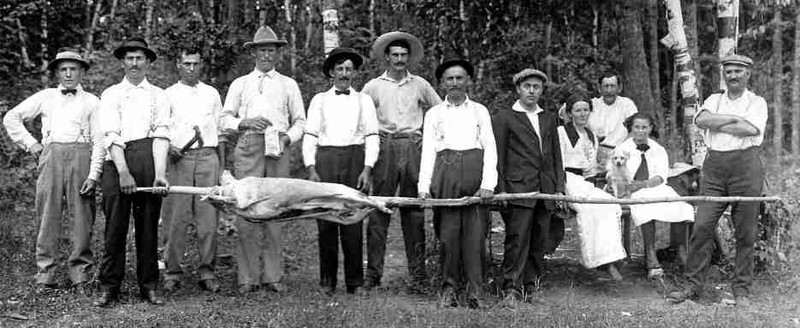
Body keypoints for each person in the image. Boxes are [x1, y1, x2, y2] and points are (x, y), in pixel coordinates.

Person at [3, 48, 104, 292]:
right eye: (63, 69)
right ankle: (45, 274)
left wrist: (94, 174)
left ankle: (81, 274)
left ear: (82, 72)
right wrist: (32, 144)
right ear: (57, 73)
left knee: (82, 217)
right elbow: (11, 118)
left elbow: (100, 140)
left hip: (81, 155)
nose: (68, 74)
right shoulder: (46, 96)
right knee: (48, 214)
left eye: (73, 69)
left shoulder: (92, 101)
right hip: (51, 156)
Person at [670, 54, 767, 306]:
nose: (733, 76)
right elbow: (701, 120)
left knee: (745, 232)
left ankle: (741, 291)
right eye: (729, 71)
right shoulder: (714, 99)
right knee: (702, 227)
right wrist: (733, 120)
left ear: (748, 74)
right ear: (723, 74)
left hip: (746, 168)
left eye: (738, 71)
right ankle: (692, 287)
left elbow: (750, 129)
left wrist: (718, 122)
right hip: (714, 169)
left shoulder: (757, 102)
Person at [219, 25, 305, 294]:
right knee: (247, 208)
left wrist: (287, 138)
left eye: (271, 50)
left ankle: (273, 276)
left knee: (276, 208)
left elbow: (301, 122)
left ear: (278, 53)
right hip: (248, 146)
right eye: (262, 50)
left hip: (277, 147)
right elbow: (223, 119)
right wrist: (245, 122)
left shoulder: (288, 84)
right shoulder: (240, 84)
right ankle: (247, 277)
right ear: (253, 52)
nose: (266, 55)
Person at [362, 31, 442, 293]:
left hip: (412, 146)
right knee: (379, 209)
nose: (399, 59)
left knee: (414, 211)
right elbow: (361, 114)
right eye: (394, 55)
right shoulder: (374, 86)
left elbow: (440, 111)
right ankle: (373, 276)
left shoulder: (419, 84)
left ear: (409, 58)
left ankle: (418, 276)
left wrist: (427, 138)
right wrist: (371, 141)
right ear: (386, 57)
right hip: (385, 146)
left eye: (403, 55)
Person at [94, 37, 170, 307]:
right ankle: (109, 286)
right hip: (118, 163)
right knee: (115, 227)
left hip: (149, 161)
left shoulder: (159, 95)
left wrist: (160, 174)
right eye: (130, 58)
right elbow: (111, 135)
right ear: (122, 62)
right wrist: (123, 172)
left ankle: (149, 285)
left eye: (139, 58)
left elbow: (161, 135)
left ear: (148, 61)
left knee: (148, 226)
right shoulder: (111, 94)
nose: (135, 63)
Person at [418, 57, 496, 309]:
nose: (454, 83)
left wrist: (488, 184)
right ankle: (449, 289)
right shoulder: (434, 114)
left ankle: (476, 291)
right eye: (449, 79)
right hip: (445, 177)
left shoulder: (479, 111)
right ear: (442, 83)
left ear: (468, 81)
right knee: (448, 238)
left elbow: (491, 149)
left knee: (475, 239)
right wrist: (423, 186)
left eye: (459, 78)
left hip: (474, 174)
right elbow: (428, 151)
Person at [303, 47, 379, 296]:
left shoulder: (363, 100)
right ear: (331, 73)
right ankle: (327, 281)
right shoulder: (319, 100)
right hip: (325, 161)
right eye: (340, 69)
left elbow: (372, 136)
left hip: (354, 161)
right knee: (326, 222)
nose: (344, 74)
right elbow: (310, 136)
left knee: (352, 222)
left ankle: (354, 282)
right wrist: (311, 168)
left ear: (354, 73)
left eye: (348, 69)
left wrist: (367, 168)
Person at [493, 68, 565, 304]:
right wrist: (501, 187)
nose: (532, 91)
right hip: (518, 188)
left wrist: (559, 188)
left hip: (544, 188)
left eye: (536, 87)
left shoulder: (548, 117)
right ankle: (510, 288)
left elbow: (555, 155)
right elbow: (499, 156)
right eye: (527, 86)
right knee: (517, 238)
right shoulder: (505, 117)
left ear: (542, 90)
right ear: (518, 89)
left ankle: (531, 285)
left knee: (539, 239)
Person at [161, 47, 224, 294]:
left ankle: (207, 271)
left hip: (208, 157)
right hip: (179, 159)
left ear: (201, 65)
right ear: (178, 64)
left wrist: (222, 167)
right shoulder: (167, 95)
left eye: (195, 64)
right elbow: (160, 129)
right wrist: (169, 147)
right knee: (175, 219)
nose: (191, 68)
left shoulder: (211, 93)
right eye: (186, 63)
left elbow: (220, 131)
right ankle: (172, 272)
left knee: (208, 220)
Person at [615, 112, 694, 279]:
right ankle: (651, 257)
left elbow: (660, 176)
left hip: (655, 187)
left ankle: (682, 253)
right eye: (637, 127)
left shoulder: (658, 149)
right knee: (647, 208)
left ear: (650, 128)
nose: (640, 131)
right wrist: (630, 187)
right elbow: (618, 174)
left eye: (644, 127)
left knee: (680, 206)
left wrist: (644, 184)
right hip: (632, 191)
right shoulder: (622, 149)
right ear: (631, 128)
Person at [556, 94, 625, 280]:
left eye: (586, 110)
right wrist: (559, 189)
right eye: (578, 110)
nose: (582, 113)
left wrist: (597, 185)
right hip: (565, 180)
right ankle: (596, 261)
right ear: (569, 113)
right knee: (592, 207)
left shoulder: (592, 136)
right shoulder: (560, 132)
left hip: (584, 182)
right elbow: (555, 164)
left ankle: (609, 259)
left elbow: (590, 170)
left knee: (610, 204)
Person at [588, 72, 638, 179]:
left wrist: (620, 150)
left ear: (619, 88)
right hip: (594, 153)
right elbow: (566, 112)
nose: (609, 90)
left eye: (612, 86)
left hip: (620, 153)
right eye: (606, 86)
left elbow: (635, 129)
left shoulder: (627, 104)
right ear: (599, 88)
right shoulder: (592, 104)